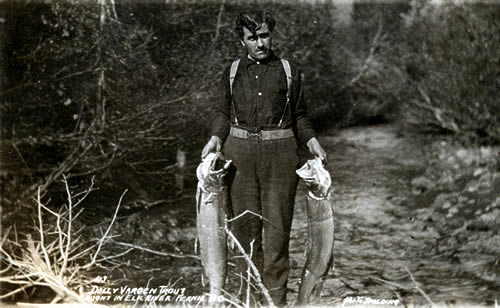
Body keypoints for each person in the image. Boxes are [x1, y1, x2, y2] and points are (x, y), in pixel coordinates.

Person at [201, 11, 326, 306]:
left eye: (264, 36)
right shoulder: (231, 72)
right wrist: (216, 137)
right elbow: (222, 112)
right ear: (242, 40)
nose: (260, 43)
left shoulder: (288, 69)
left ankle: (276, 303)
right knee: (245, 234)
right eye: (252, 38)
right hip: (239, 155)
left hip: (281, 156)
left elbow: (300, 115)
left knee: (277, 236)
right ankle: (248, 301)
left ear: (272, 34)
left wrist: (311, 140)